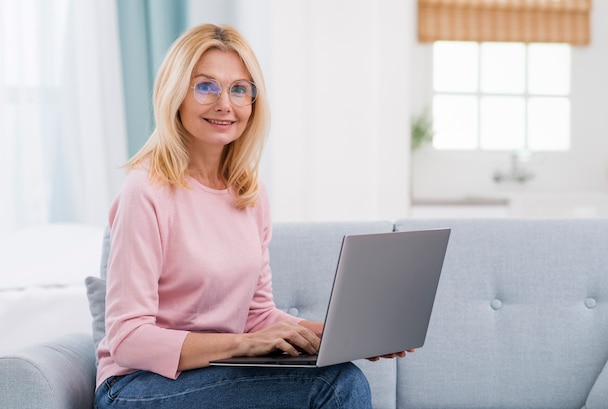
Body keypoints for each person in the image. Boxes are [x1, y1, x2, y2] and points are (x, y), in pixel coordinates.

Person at [94, 23, 408, 409]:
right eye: (206, 86)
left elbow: (258, 316)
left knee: (343, 373)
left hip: (213, 375)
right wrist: (242, 344)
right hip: (137, 387)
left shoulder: (249, 193)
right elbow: (128, 339)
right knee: (332, 385)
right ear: (175, 94)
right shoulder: (145, 191)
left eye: (239, 89)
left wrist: (341, 335)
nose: (225, 104)